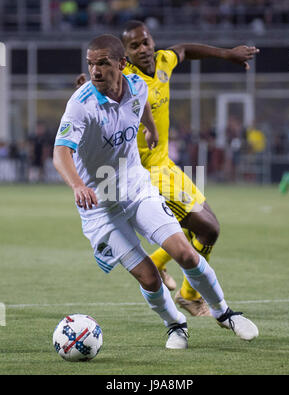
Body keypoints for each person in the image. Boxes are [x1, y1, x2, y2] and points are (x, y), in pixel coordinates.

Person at [53, 34, 259, 349]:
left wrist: (150, 126)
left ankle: (224, 313)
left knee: (186, 253)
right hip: (100, 208)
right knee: (148, 276)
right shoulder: (81, 105)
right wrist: (78, 185)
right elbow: (60, 153)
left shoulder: (136, 86)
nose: (95, 71)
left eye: (103, 63)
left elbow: (142, 102)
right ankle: (175, 325)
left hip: (137, 190)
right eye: (91, 64)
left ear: (121, 65)